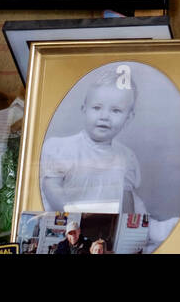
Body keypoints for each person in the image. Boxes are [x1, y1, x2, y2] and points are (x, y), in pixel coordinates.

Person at [40, 65, 143, 215]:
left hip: (107, 227)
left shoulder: (126, 157)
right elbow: (51, 188)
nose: (104, 116)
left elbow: (127, 201)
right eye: (97, 108)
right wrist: (76, 216)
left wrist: (126, 229)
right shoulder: (63, 148)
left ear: (128, 117)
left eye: (115, 110)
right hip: (68, 223)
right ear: (84, 109)